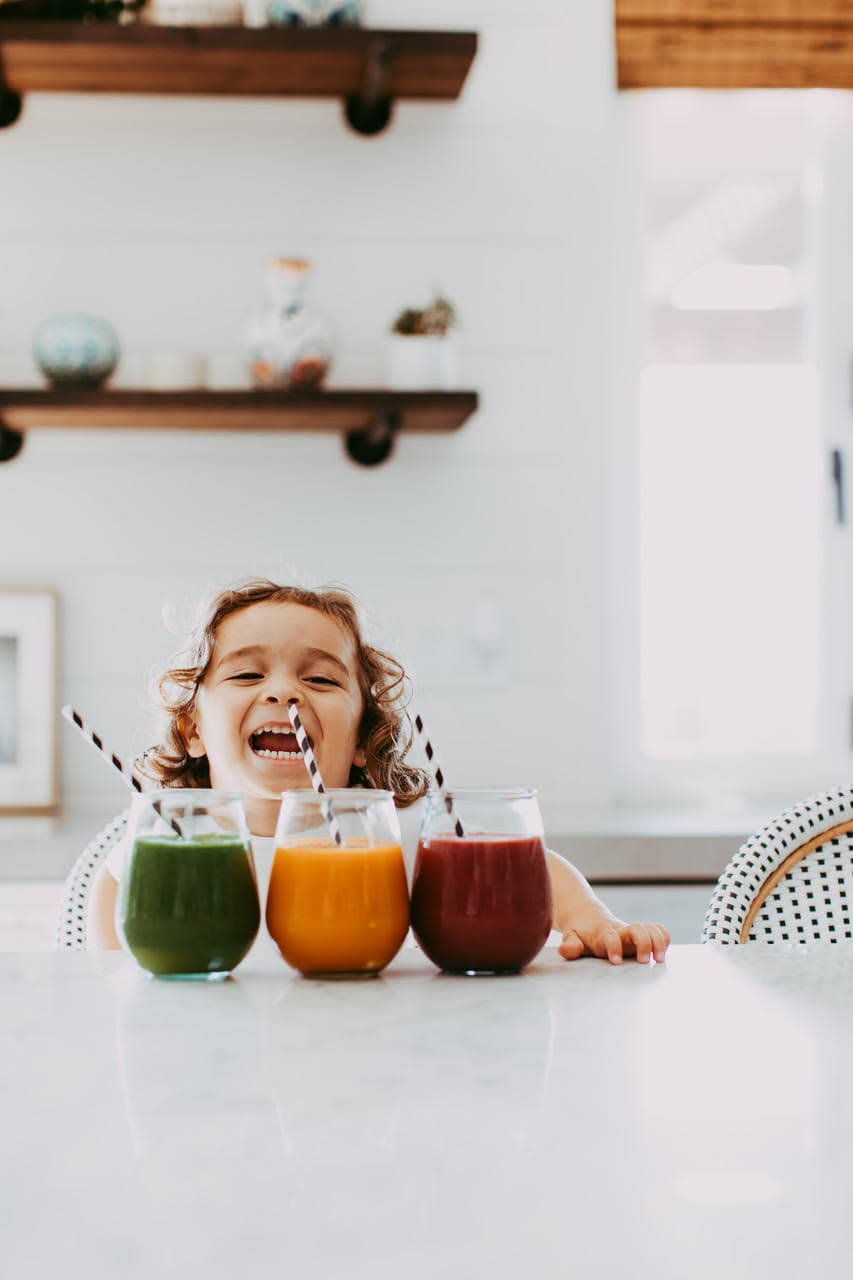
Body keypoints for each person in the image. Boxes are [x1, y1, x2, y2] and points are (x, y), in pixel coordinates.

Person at [89, 578, 670, 964]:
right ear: (192, 730)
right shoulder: (153, 853)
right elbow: (111, 982)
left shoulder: (402, 842)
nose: (285, 692)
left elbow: (537, 867)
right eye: (246, 676)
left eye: (320, 679)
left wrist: (593, 920)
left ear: (366, 739)